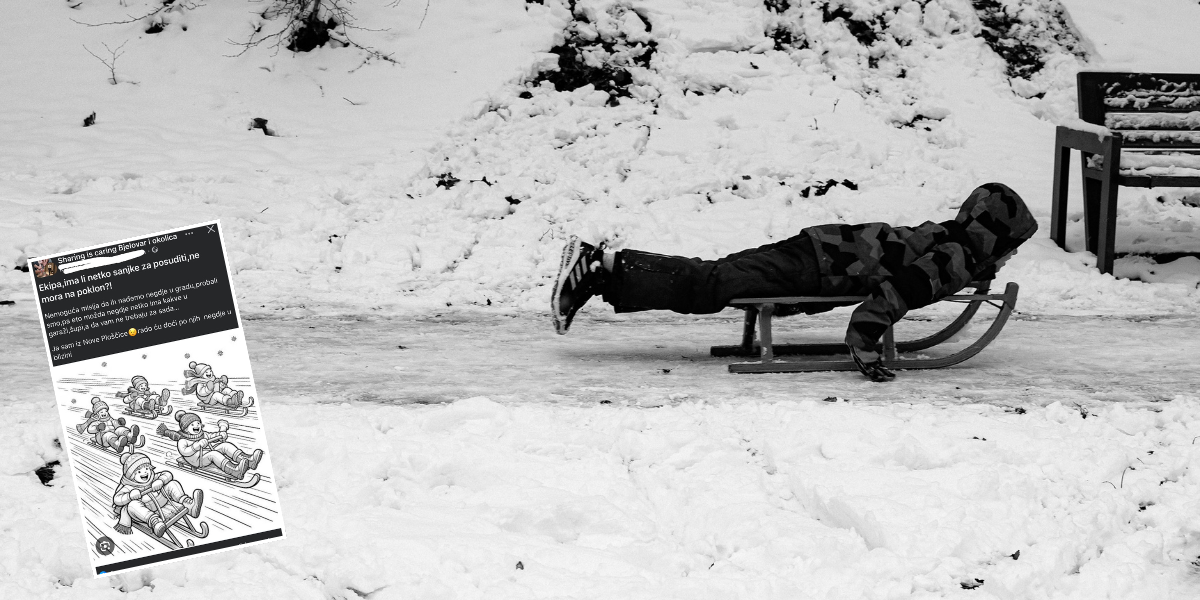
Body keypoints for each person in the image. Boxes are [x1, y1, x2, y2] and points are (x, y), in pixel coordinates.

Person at [551, 183, 1038, 381]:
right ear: (992, 236)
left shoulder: (950, 241)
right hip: (817, 268)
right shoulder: (957, 256)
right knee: (713, 283)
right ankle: (599, 267)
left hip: (818, 249)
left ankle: (605, 272)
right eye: (1011, 243)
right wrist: (865, 344)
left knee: (716, 277)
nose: (1011, 253)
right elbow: (896, 294)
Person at [112, 452, 203, 536]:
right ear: (131, 476)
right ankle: (155, 522)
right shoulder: (129, 486)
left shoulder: (153, 477)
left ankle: (189, 505)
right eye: (139, 472)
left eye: (147, 468)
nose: (144, 473)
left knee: (172, 484)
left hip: (161, 501)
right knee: (132, 505)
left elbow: (168, 474)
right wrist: (129, 496)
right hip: (145, 510)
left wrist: (161, 480)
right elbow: (117, 499)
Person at [157, 410, 262, 480]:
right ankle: (234, 470)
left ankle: (249, 460)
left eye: (198, 423)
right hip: (197, 460)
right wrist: (196, 446)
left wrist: (220, 434)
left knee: (225, 446)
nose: (196, 426)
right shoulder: (182, 440)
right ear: (185, 428)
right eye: (192, 425)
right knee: (214, 454)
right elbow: (185, 452)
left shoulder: (202, 434)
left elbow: (211, 436)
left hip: (205, 452)